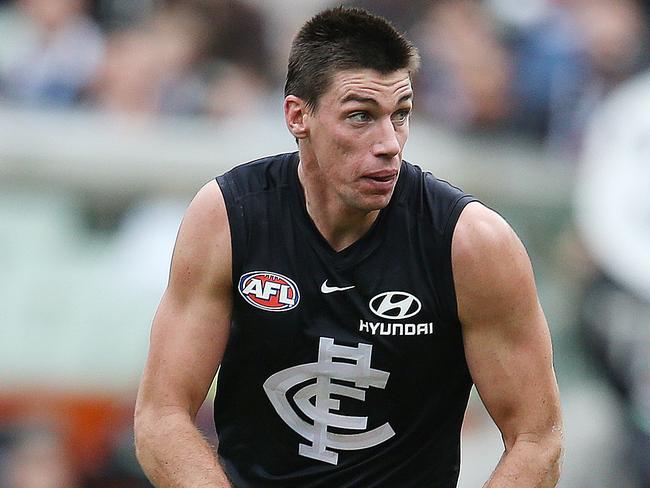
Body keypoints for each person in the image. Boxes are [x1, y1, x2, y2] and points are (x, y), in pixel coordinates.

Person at [134, 6, 564, 488]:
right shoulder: (229, 218)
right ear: (299, 116)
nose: (389, 144)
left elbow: (536, 440)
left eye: (400, 115)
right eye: (360, 116)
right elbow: (161, 416)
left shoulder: (471, 244)